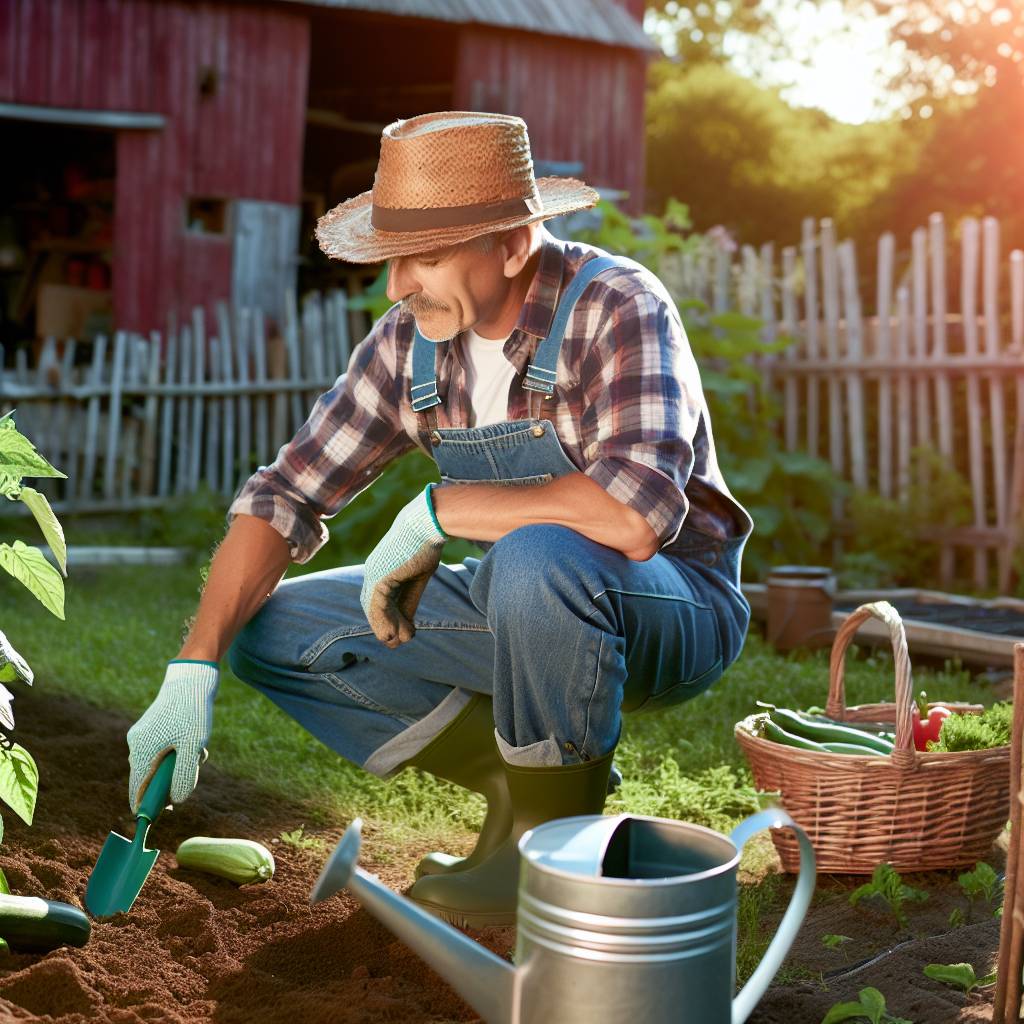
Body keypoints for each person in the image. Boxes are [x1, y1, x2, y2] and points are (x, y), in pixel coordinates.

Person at [126, 111, 754, 928]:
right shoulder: (409, 343)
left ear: (515, 243)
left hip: (670, 608)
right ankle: (515, 787)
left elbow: (637, 516)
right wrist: (194, 664)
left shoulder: (616, 305)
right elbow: (287, 493)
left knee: (536, 558)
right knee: (274, 631)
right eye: (393, 260)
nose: (396, 287)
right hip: (520, 599)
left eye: (424, 258)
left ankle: (548, 853)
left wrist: (440, 507)